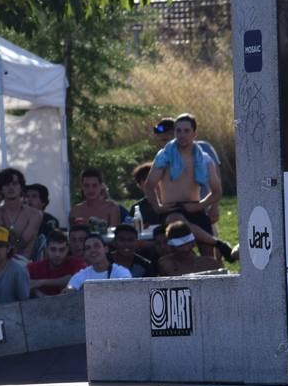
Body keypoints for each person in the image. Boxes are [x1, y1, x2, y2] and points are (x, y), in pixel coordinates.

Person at [143, 113, 224, 241]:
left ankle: (215, 245)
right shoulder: (164, 156)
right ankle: (218, 243)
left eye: (186, 131)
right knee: (179, 223)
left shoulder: (204, 158)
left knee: (209, 255)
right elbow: (149, 185)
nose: (182, 135)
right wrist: (157, 207)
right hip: (172, 209)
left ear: (194, 134)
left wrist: (201, 205)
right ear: (174, 132)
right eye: (178, 131)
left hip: (195, 207)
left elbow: (217, 191)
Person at [0, 167, 42, 260]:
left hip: (23, 265)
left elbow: (20, 245)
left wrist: (1, 225)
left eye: (14, 184)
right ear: (1, 188)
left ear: (21, 187)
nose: (11, 187)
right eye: (6, 184)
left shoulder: (35, 215)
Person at [27, 230, 87, 297]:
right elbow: (24, 283)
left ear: (67, 249)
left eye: (62, 250)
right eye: (53, 249)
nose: (57, 254)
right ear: (46, 249)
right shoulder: (34, 267)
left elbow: (73, 279)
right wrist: (36, 291)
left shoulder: (76, 263)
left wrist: (40, 282)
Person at [156, 220, 224, 276]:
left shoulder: (210, 263)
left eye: (187, 244)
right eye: (180, 245)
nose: (185, 249)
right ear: (171, 246)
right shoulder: (166, 263)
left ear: (193, 243)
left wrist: (219, 262)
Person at [66, 233, 133, 289]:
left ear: (106, 249)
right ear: (85, 253)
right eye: (88, 248)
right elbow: (70, 289)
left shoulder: (121, 272)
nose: (92, 250)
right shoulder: (82, 275)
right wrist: (70, 290)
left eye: (96, 246)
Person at [70, 167, 123, 234]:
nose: (90, 189)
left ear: (101, 186)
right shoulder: (75, 210)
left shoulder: (112, 208)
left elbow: (114, 235)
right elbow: (73, 237)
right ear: (82, 186)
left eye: (94, 185)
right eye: (86, 185)